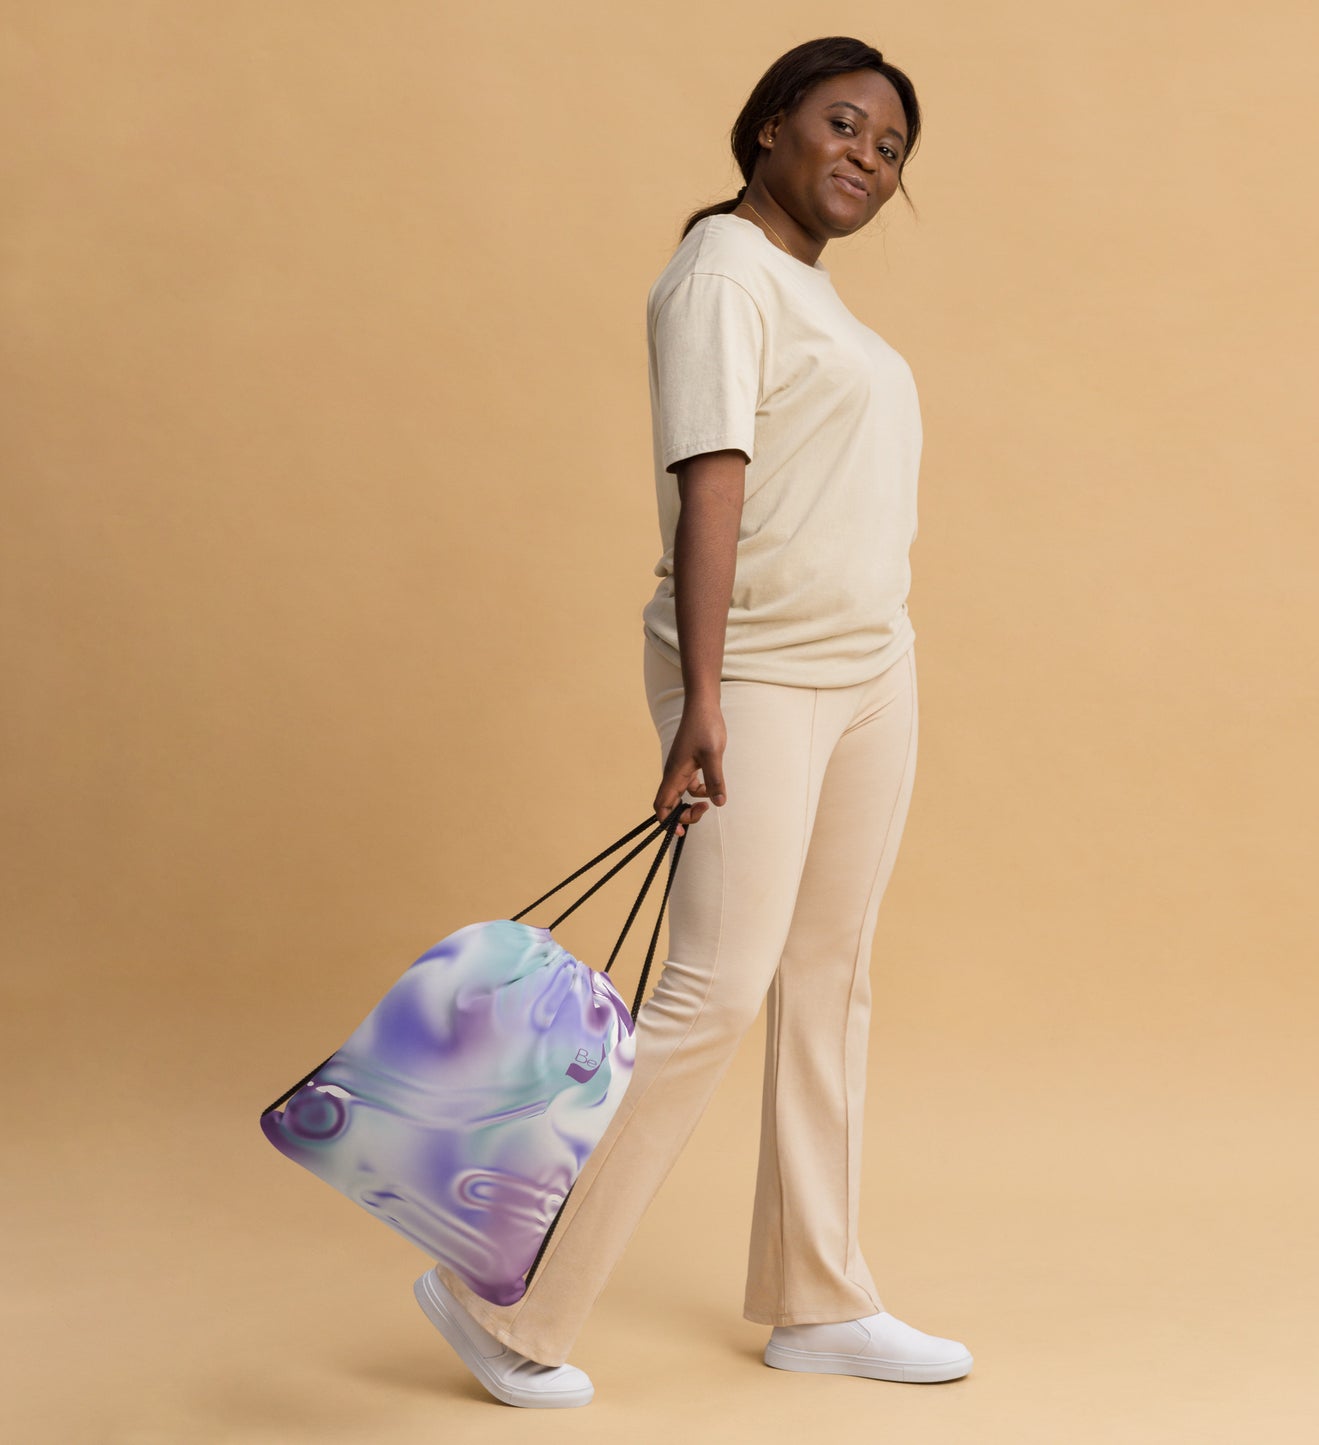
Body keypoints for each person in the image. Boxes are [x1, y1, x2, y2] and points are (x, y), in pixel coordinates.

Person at [412, 35, 973, 1408]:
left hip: (870, 670)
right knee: (712, 988)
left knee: (828, 979)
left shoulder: (809, 295)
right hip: (760, 673)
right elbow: (708, 482)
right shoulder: (721, 271)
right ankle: (506, 1302)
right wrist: (703, 698)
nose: (867, 157)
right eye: (843, 123)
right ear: (771, 124)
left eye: (891, 148)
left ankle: (818, 1299)